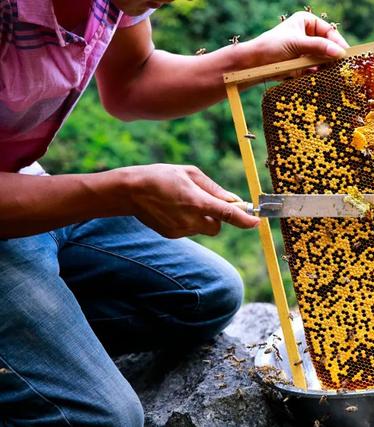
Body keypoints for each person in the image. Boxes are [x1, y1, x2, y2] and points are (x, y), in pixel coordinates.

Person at [0, 0, 349, 424]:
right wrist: (122, 192)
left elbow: (133, 79)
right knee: (104, 417)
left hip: (26, 187)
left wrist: (256, 54)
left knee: (205, 295)